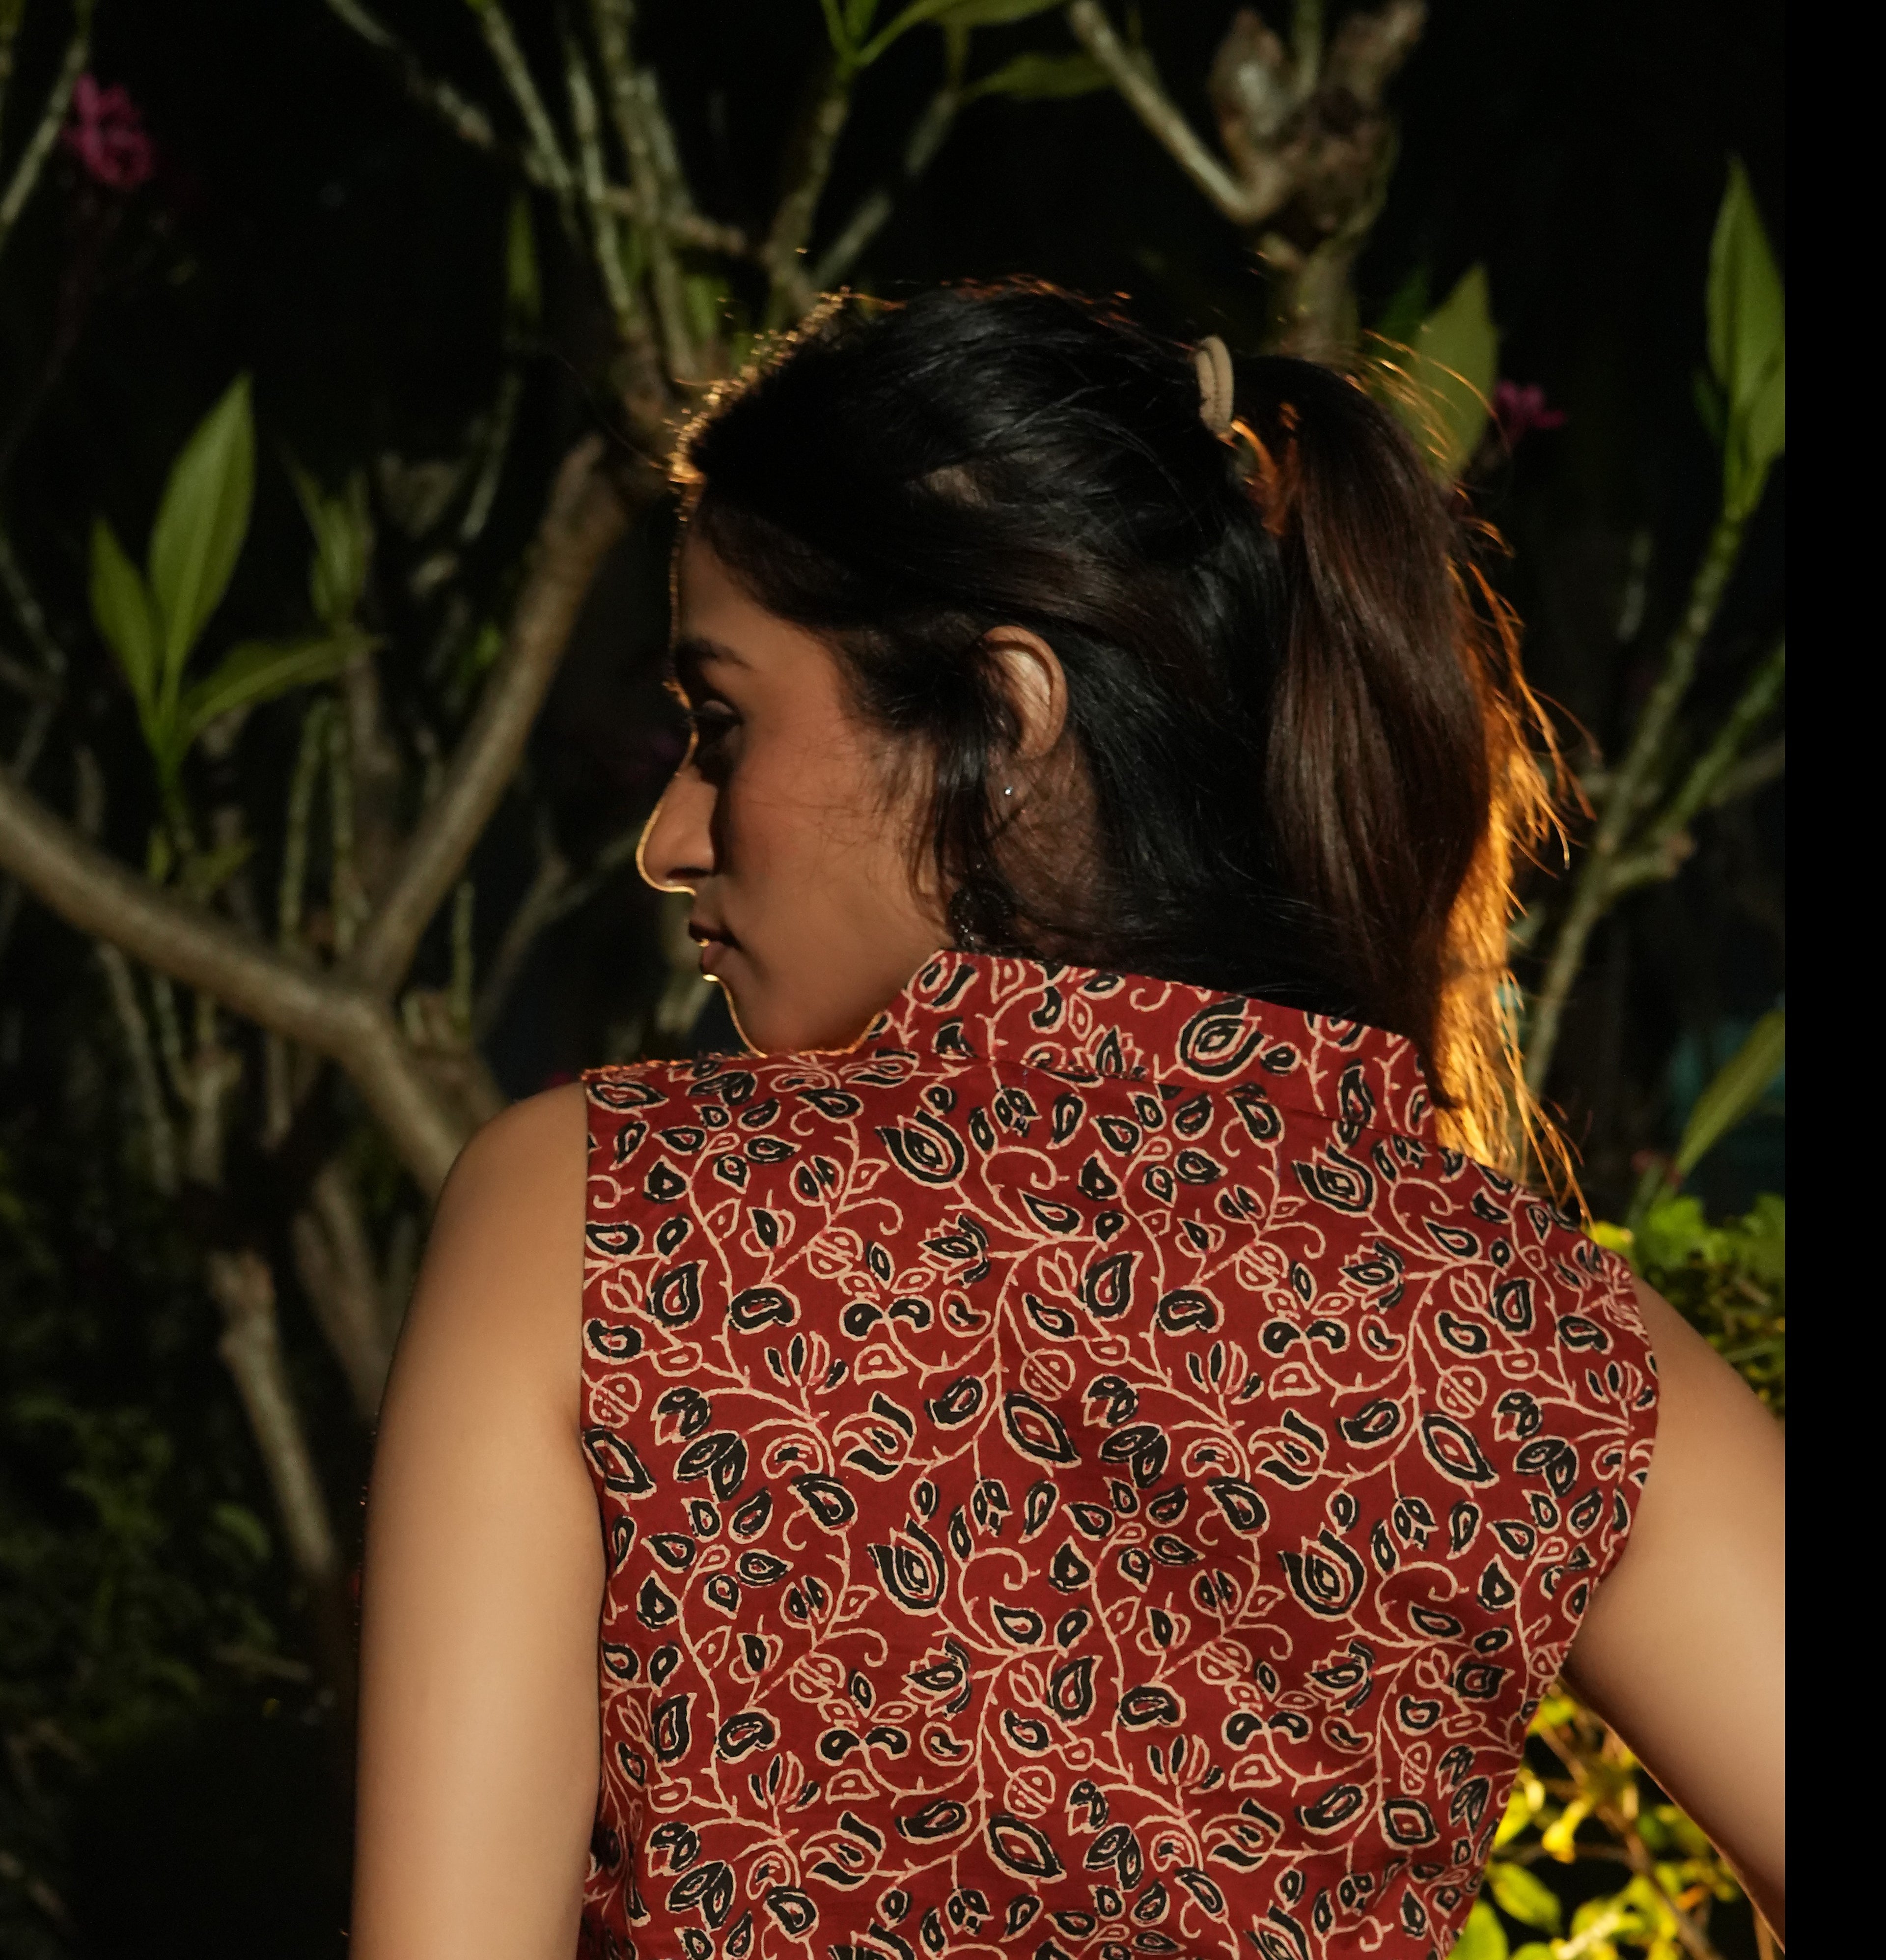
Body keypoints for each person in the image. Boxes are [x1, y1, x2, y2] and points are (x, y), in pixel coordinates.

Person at [350, 285, 1784, 1960]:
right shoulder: (1538, 1336)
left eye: (723, 724)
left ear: (1004, 715)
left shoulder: (593, 1212)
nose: (672, 836)